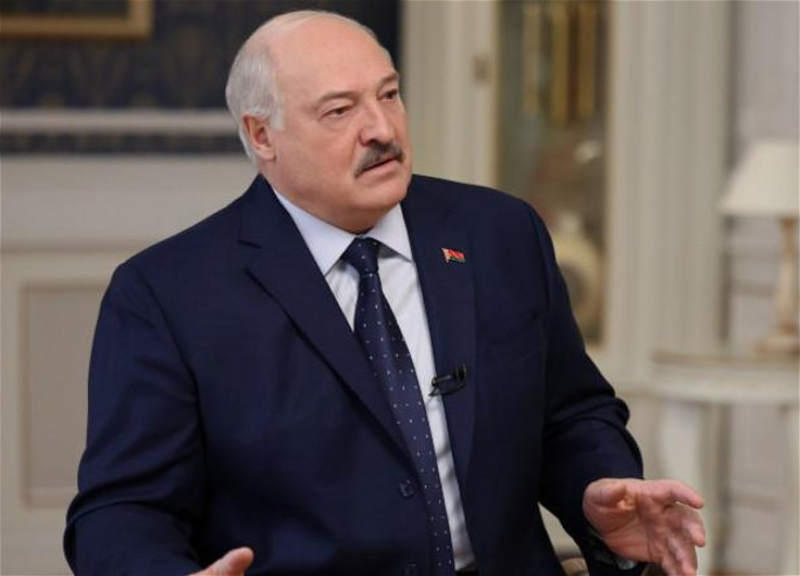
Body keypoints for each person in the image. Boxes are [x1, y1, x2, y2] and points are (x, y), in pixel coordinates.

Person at [64, 10, 705, 576]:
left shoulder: (500, 234)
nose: (380, 128)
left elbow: (573, 416)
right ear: (262, 136)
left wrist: (597, 492)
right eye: (339, 111)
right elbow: (122, 511)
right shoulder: (168, 293)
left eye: (389, 94)